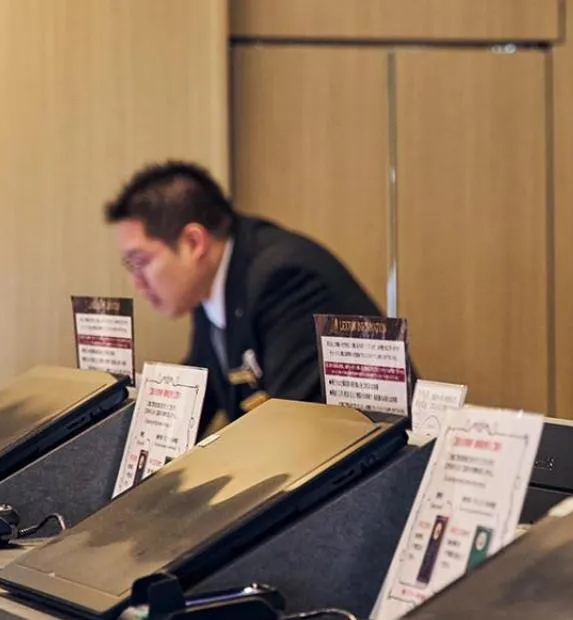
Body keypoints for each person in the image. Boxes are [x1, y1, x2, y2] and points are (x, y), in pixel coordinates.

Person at [105, 161, 386, 425]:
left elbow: (294, 424)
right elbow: (199, 391)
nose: (136, 282)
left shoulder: (284, 277)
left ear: (193, 242)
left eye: (140, 262)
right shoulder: (210, 282)